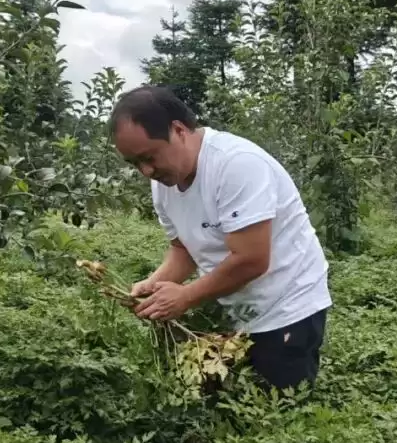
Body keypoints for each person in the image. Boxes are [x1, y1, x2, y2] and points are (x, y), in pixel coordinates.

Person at [108, 84, 331, 391]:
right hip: (231, 307)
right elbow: (182, 249)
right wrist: (154, 284)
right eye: (135, 163)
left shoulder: (236, 164)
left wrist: (185, 297)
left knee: (278, 411)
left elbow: (252, 260)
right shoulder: (164, 181)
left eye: (149, 157)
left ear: (178, 130)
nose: (146, 171)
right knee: (223, 405)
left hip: (286, 307)